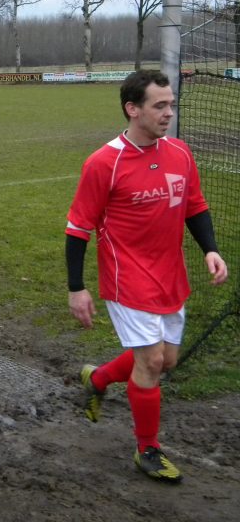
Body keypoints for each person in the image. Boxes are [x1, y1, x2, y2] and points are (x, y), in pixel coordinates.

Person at [66, 70, 228, 482]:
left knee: (166, 360)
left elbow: (195, 206)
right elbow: (78, 228)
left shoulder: (180, 153)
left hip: (170, 275)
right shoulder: (104, 163)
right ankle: (147, 449)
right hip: (127, 277)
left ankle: (99, 378)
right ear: (132, 109)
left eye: (171, 104)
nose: (168, 113)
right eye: (160, 105)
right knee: (152, 361)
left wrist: (209, 249)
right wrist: (76, 288)